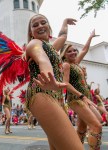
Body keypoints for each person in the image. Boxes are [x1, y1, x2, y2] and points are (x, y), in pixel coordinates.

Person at [25, 14, 83, 150]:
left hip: (55, 95)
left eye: (43, 22)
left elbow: (62, 37)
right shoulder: (34, 44)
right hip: (41, 92)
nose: (40, 26)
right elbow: (41, 58)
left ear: (49, 27)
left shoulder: (51, 47)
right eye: (35, 25)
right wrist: (48, 76)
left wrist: (64, 22)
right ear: (30, 32)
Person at [60, 29, 102, 149]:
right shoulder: (66, 65)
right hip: (76, 99)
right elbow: (65, 83)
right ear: (64, 54)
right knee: (97, 125)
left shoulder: (76, 63)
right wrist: (82, 96)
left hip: (85, 99)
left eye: (74, 50)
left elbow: (84, 50)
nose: (73, 53)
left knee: (82, 128)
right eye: (69, 51)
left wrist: (90, 37)